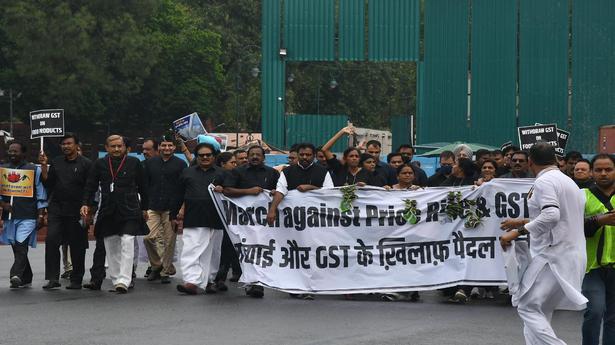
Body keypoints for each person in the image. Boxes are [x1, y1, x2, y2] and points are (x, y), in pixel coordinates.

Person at [500, 142, 587, 345]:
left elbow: (551, 215)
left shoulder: (544, 182)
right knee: (540, 309)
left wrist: (517, 232)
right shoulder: (569, 182)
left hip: (553, 255)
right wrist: (521, 221)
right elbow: (558, 217)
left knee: (526, 306)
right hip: (570, 253)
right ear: (556, 160)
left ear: (530, 161)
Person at [81, 135, 149, 294]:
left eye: (120, 146)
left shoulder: (134, 163)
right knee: (111, 245)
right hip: (108, 209)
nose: (117, 149)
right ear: (107, 148)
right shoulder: (100, 164)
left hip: (130, 209)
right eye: (113, 146)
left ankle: (125, 280)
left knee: (127, 240)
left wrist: (145, 208)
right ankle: (117, 278)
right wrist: (85, 204)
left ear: (125, 147)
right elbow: (90, 186)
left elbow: (144, 187)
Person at [267, 142, 334, 300]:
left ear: (314, 155)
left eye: (308, 155)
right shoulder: (288, 171)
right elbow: (280, 190)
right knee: (295, 252)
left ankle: (310, 285)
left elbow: (330, 192)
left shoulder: (323, 171)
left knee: (312, 253)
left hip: (315, 222)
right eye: (302, 155)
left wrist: (310, 187)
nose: (305, 158)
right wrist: (272, 209)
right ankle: (297, 285)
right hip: (294, 222)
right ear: (297, 155)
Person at [222, 145, 280, 298]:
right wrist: (248, 191)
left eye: (258, 155)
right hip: (242, 221)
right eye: (252, 154)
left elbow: (281, 192)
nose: (255, 157)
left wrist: (274, 192)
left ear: (263, 157)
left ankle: (257, 284)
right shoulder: (237, 172)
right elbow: (227, 190)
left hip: (263, 222)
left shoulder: (272, 173)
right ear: (247, 157)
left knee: (260, 251)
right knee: (245, 251)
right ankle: (245, 281)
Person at [39, 133, 92, 290]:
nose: (66, 146)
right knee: (51, 240)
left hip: (78, 210)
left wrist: (88, 207)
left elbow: (90, 188)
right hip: (57, 208)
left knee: (77, 245)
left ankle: (76, 279)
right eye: (63, 144)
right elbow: (48, 183)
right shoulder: (56, 162)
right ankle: (52, 278)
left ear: (77, 145)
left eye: (69, 143)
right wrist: (43, 166)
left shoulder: (86, 164)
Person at [174, 142, 227, 295]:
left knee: (212, 252)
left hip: (216, 218)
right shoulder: (187, 172)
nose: (204, 157)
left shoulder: (222, 173)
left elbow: (230, 191)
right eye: (201, 155)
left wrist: (223, 189)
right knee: (191, 249)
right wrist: (174, 215)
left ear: (214, 156)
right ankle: (191, 281)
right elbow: (179, 195)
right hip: (193, 217)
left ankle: (209, 280)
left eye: (208, 155)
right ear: (196, 157)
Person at [0, 141, 48, 288]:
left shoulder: (34, 170)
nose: (12, 154)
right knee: (16, 246)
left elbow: (41, 193)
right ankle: (27, 276)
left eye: (15, 151)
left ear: (23, 153)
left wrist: (40, 215)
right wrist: (3, 204)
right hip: (10, 216)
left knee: (21, 245)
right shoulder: (3, 169)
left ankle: (15, 274)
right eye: (10, 151)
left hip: (28, 215)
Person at [581, 154, 615, 345]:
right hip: (591, 267)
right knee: (594, 312)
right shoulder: (582, 195)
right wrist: (598, 220)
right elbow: (572, 228)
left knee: (613, 318)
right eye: (599, 170)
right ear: (592, 172)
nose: (603, 173)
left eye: (608, 169)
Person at [143, 136, 186, 285]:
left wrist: (181, 208)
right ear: (159, 147)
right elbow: (145, 185)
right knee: (148, 237)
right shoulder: (150, 163)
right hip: (152, 206)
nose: (167, 148)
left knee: (169, 242)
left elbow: (183, 188)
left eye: (170, 145)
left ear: (174, 148)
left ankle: (165, 271)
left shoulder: (181, 164)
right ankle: (156, 265)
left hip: (171, 208)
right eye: (164, 145)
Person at [381, 163, 421, 302]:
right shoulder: (389, 190)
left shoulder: (420, 191)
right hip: (394, 232)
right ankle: (394, 288)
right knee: (395, 260)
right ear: (397, 176)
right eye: (404, 173)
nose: (408, 175)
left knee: (411, 260)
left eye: (410, 173)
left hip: (413, 232)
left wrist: (421, 192)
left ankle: (412, 289)